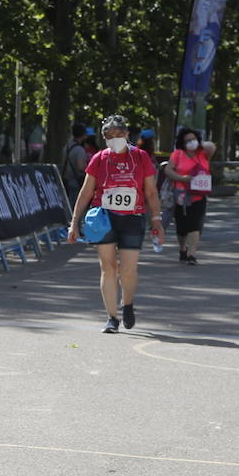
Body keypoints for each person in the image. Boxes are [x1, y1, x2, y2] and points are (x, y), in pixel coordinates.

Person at [66, 114, 164, 332]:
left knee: (128, 269)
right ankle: (111, 318)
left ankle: (127, 304)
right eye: (109, 136)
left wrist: (156, 220)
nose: (115, 139)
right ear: (104, 138)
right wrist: (74, 222)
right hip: (103, 219)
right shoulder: (99, 158)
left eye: (119, 135)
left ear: (127, 134)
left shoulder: (140, 157)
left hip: (132, 217)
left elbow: (150, 191)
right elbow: (85, 193)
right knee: (108, 267)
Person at [164, 127, 215, 265]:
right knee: (182, 227)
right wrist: (181, 178)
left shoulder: (203, 153)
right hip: (181, 195)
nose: (191, 142)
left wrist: (199, 143)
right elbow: (168, 170)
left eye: (193, 139)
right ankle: (182, 248)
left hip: (199, 195)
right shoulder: (178, 154)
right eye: (188, 141)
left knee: (195, 224)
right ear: (182, 142)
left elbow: (212, 146)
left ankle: (192, 254)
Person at [61, 123, 88, 202]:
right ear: (83, 134)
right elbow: (81, 167)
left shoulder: (67, 147)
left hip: (66, 179)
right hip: (76, 181)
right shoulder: (79, 150)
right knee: (74, 203)